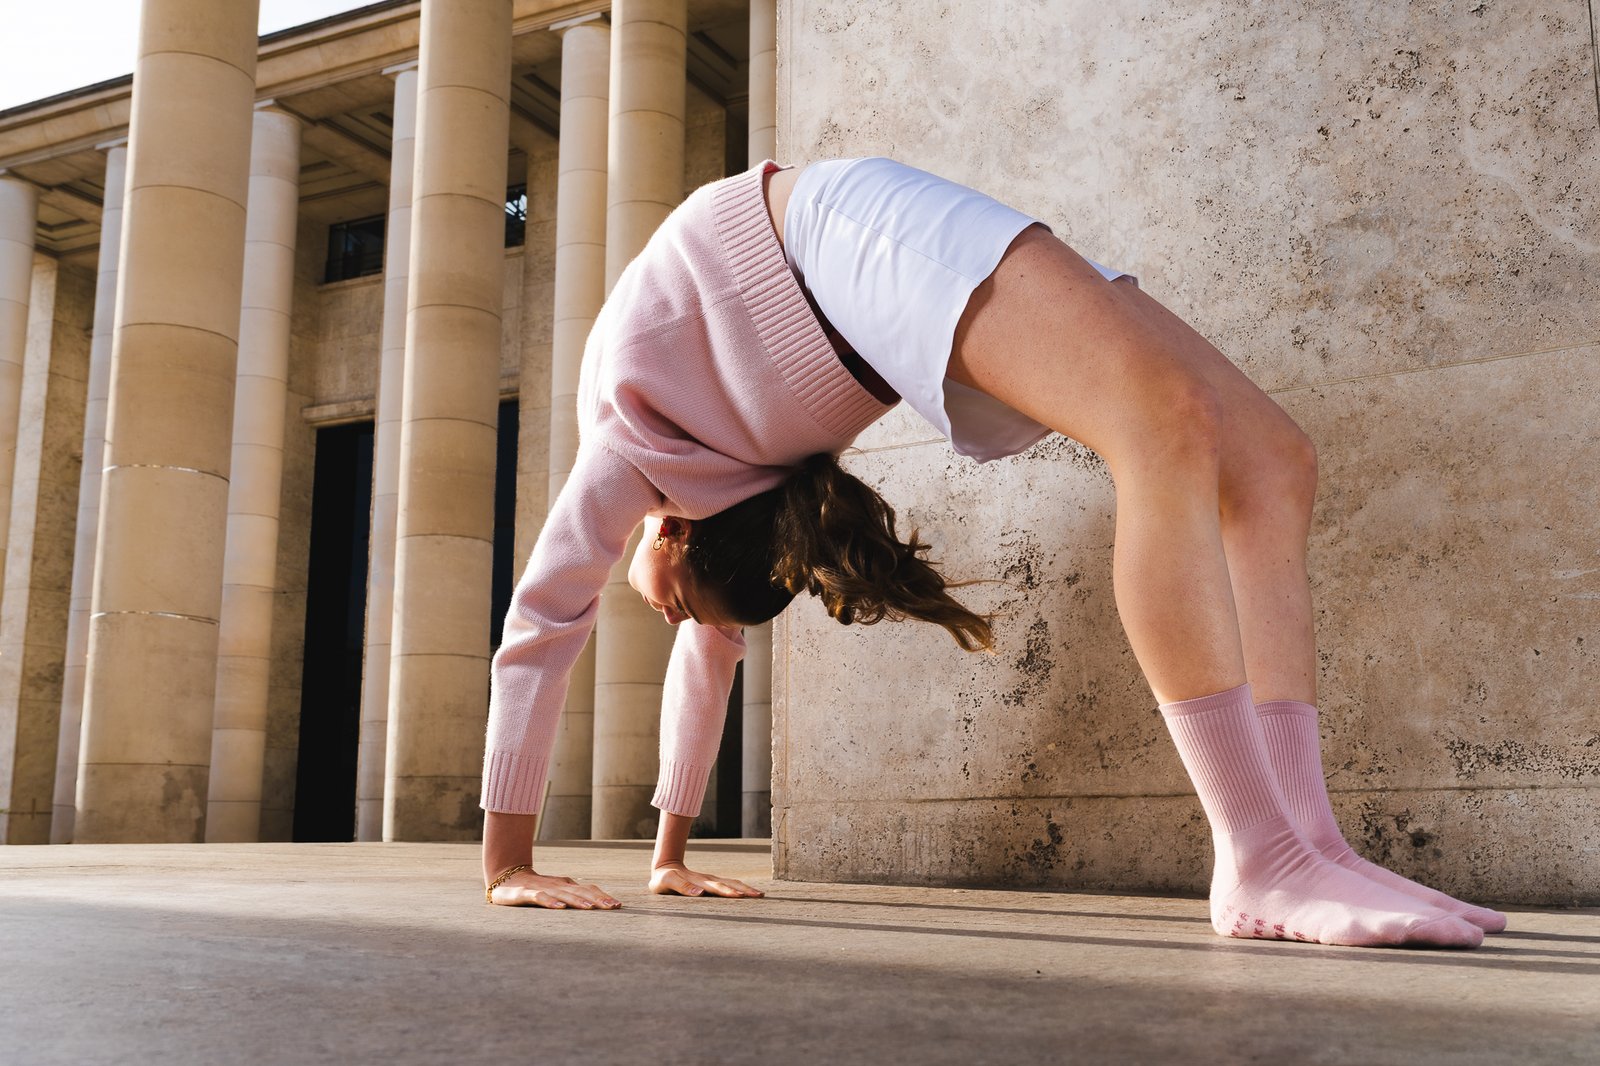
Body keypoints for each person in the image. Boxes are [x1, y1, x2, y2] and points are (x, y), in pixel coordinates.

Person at [479, 157, 1504, 948]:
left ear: (677, 532)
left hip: (823, 240)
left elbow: (542, 622)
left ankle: (1293, 845)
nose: (666, 616)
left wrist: (505, 863)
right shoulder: (736, 507)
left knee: (1228, 443)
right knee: (1246, 450)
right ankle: (1277, 849)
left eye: (670, 607)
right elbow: (708, 669)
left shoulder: (628, 447)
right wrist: (669, 860)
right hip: (845, 297)